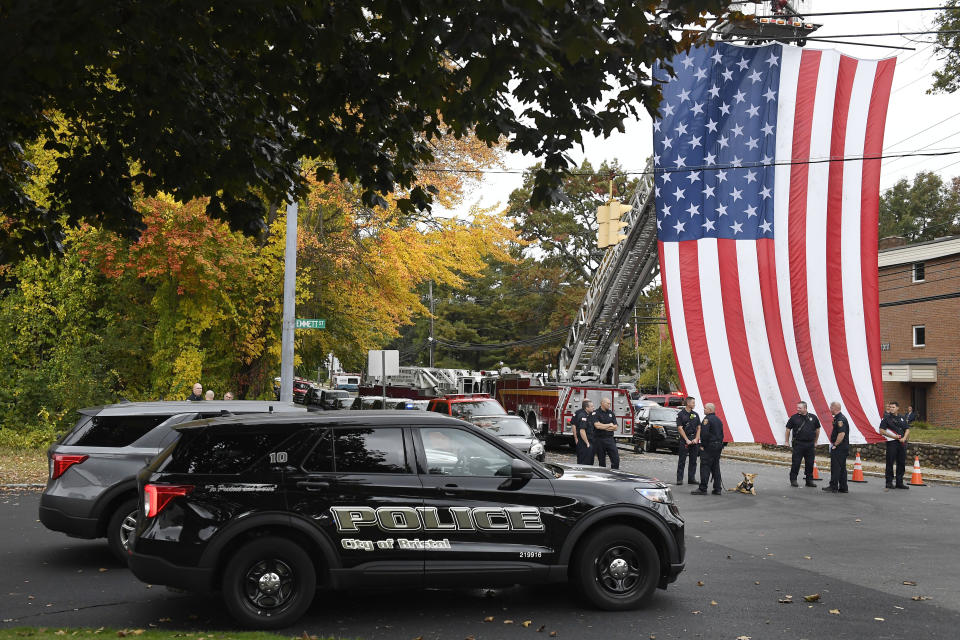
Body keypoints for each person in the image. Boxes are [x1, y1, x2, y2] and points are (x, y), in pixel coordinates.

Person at [785, 401, 821, 487]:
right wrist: (786, 441)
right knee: (796, 462)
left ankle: (809, 481)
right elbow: (788, 429)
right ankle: (793, 479)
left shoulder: (813, 417)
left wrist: (815, 441)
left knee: (810, 463)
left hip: (810, 444)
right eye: (797, 407)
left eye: (799, 408)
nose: (797, 409)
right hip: (798, 443)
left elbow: (818, 430)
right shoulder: (794, 418)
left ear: (805, 408)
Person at [691, 403, 724, 495]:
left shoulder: (706, 420)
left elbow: (704, 434)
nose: (704, 410)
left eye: (705, 408)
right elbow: (722, 434)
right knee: (715, 467)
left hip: (709, 446)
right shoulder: (718, 420)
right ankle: (717, 488)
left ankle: (703, 488)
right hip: (718, 446)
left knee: (705, 466)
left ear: (710, 410)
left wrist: (703, 445)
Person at [879, 401, 910, 489]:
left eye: (893, 407)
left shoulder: (902, 418)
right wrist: (893, 436)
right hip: (892, 443)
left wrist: (904, 438)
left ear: (897, 408)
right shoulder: (886, 418)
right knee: (890, 462)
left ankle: (899, 482)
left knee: (901, 462)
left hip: (902, 443)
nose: (891, 409)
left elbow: (907, 429)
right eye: (890, 407)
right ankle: (889, 482)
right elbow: (881, 430)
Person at [824, 401, 849, 494]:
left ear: (835, 408)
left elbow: (841, 434)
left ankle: (833, 486)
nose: (830, 409)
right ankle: (843, 487)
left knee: (836, 467)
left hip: (839, 448)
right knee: (842, 468)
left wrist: (835, 445)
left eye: (831, 408)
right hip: (842, 447)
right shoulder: (838, 418)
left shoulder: (840, 419)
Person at [675, 396, 700, 485]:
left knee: (693, 461)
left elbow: (699, 427)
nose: (694, 404)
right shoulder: (681, 414)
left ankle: (691, 478)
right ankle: (679, 479)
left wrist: (696, 439)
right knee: (682, 460)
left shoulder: (696, 414)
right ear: (688, 403)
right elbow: (680, 428)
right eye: (693, 403)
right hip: (684, 440)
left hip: (694, 440)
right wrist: (686, 440)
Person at [589, 397, 620, 469]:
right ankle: (603, 475)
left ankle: (614, 473)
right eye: (608, 403)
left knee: (616, 459)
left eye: (610, 403)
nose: (609, 405)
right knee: (602, 461)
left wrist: (603, 426)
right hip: (599, 439)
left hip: (610, 439)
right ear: (602, 403)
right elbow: (597, 426)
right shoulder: (595, 413)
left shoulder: (611, 413)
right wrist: (609, 425)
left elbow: (615, 427)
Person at [570, 400, 595, 465]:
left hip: (589, 441)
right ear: (587, 408)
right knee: (584, 463)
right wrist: (587, 443)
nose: (593, 407)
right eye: (591, 406)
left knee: (589, 462)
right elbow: (582, 431)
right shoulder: (583, 416)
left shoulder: (588, 415)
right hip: (584, 443)